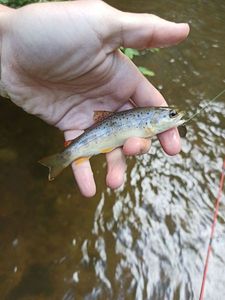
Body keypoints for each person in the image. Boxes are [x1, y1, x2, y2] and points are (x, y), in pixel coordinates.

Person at [0, 0, 189, 197]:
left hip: (102, 131)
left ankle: (64, 158)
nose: (176, 115)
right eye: (172, 114)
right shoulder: (149, 123)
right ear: (153, 120)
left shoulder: (151, 122)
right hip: (100, 132)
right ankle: (63, 158)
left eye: (172, 114)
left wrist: (6, 41)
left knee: (128, 148)